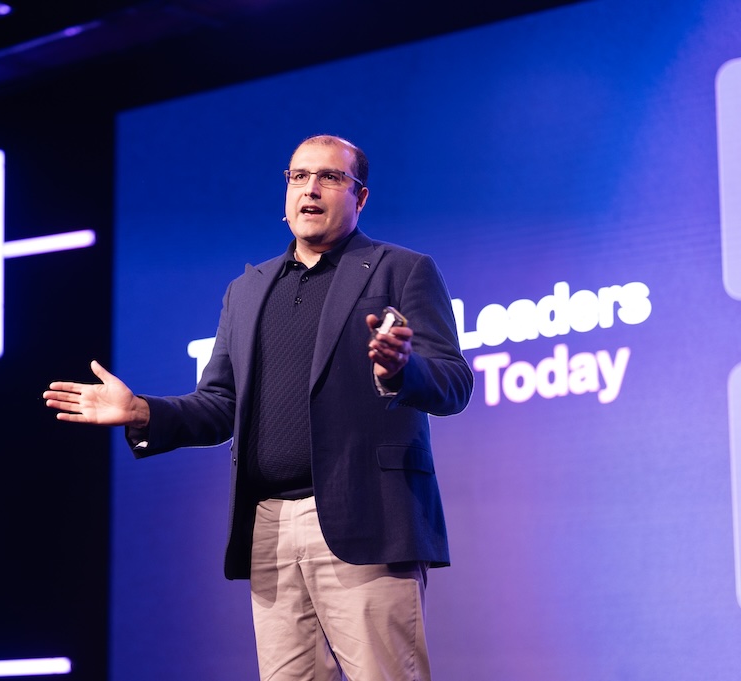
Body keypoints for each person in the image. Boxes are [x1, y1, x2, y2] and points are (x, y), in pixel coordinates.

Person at [43, 134, 473, 680]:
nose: (311, 189)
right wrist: (145, 412)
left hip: (367, 518)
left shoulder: (401, 270)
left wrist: (400, 371)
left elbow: (454, 382)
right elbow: (220, 403)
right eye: (299, 177)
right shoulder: (246, 290)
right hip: (268, 526)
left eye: (330, 177)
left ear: (360, 197)